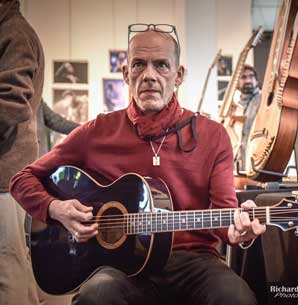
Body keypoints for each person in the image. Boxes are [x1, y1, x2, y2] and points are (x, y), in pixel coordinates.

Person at [10, 24, 265, 305]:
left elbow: (224, 218)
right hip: (119, 268)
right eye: (139, 65)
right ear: (125, 74)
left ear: (178, 75)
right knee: (96, 295)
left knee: (236, 296)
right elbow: (22, 179)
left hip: (193, 263)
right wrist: (55, 208)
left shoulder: (212, 135)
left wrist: (237, 230)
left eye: (161, 65)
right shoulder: (98, 130)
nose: (149, 76)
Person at [0, 1, 44, 305]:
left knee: (6, 266)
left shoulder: (14, 32)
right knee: (14, 263)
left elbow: (11, 105)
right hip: (8, 172)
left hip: (4, 175)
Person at [237, 65, 261, 171]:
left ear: (256, 80)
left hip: (258, 160)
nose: (248, 80)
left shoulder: (265, 101)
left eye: (251, 76)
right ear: (237, 81)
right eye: (243, 77)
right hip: (239, 162)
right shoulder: (234, 105)